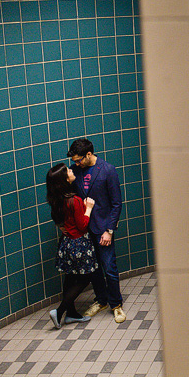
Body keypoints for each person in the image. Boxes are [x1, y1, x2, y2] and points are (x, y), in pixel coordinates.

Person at [68, 138, 126, 323]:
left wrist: (109, 230)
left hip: (102, 229)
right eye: (74, 161)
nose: (76, 163)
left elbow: (116, 203)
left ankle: (116, 305)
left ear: (89, 154)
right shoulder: (75, 170)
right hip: (84, 229)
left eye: (79, 160)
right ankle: (101, 300)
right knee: (93, 269)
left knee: (109, 267)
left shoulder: (107, 170)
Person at [46, 163, 98, 329]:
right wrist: (88, 208)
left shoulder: (57, 199)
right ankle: (60, 311)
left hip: (67, 242)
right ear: (65, 179)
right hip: (79, 243)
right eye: (68, 171)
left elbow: (60, 222)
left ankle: (71, 314)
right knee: (85, 277)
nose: (71, 170)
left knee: (70, 277)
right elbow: (82, 225)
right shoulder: (73, 200)